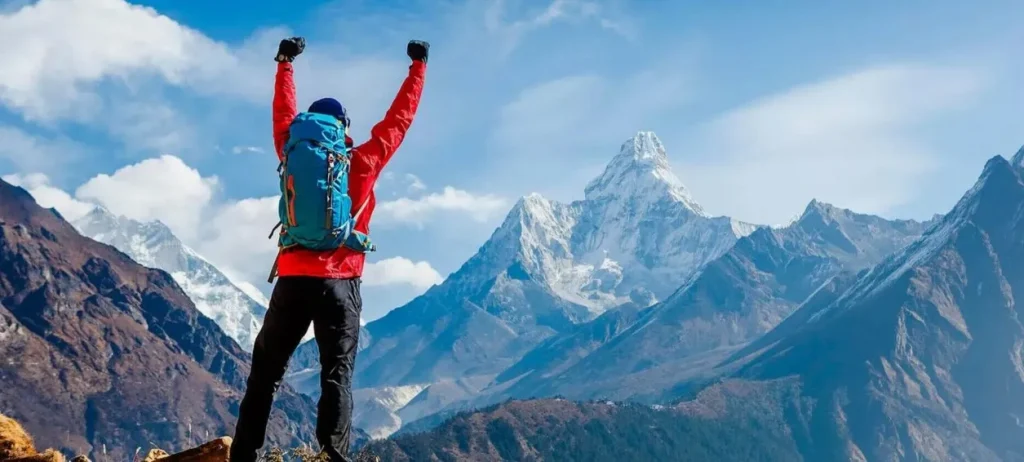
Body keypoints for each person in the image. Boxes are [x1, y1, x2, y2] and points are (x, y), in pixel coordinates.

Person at [230, 36, 428, 462]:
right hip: (341, 284)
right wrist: (418, 68)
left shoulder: (290, 146)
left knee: (265, 374)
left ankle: (243, 456)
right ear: (344, 130)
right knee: (336, 376)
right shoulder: (363, 161)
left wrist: (285, 63)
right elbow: (399, 121)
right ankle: (331, 457)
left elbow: (282, 109)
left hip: (293, 277)